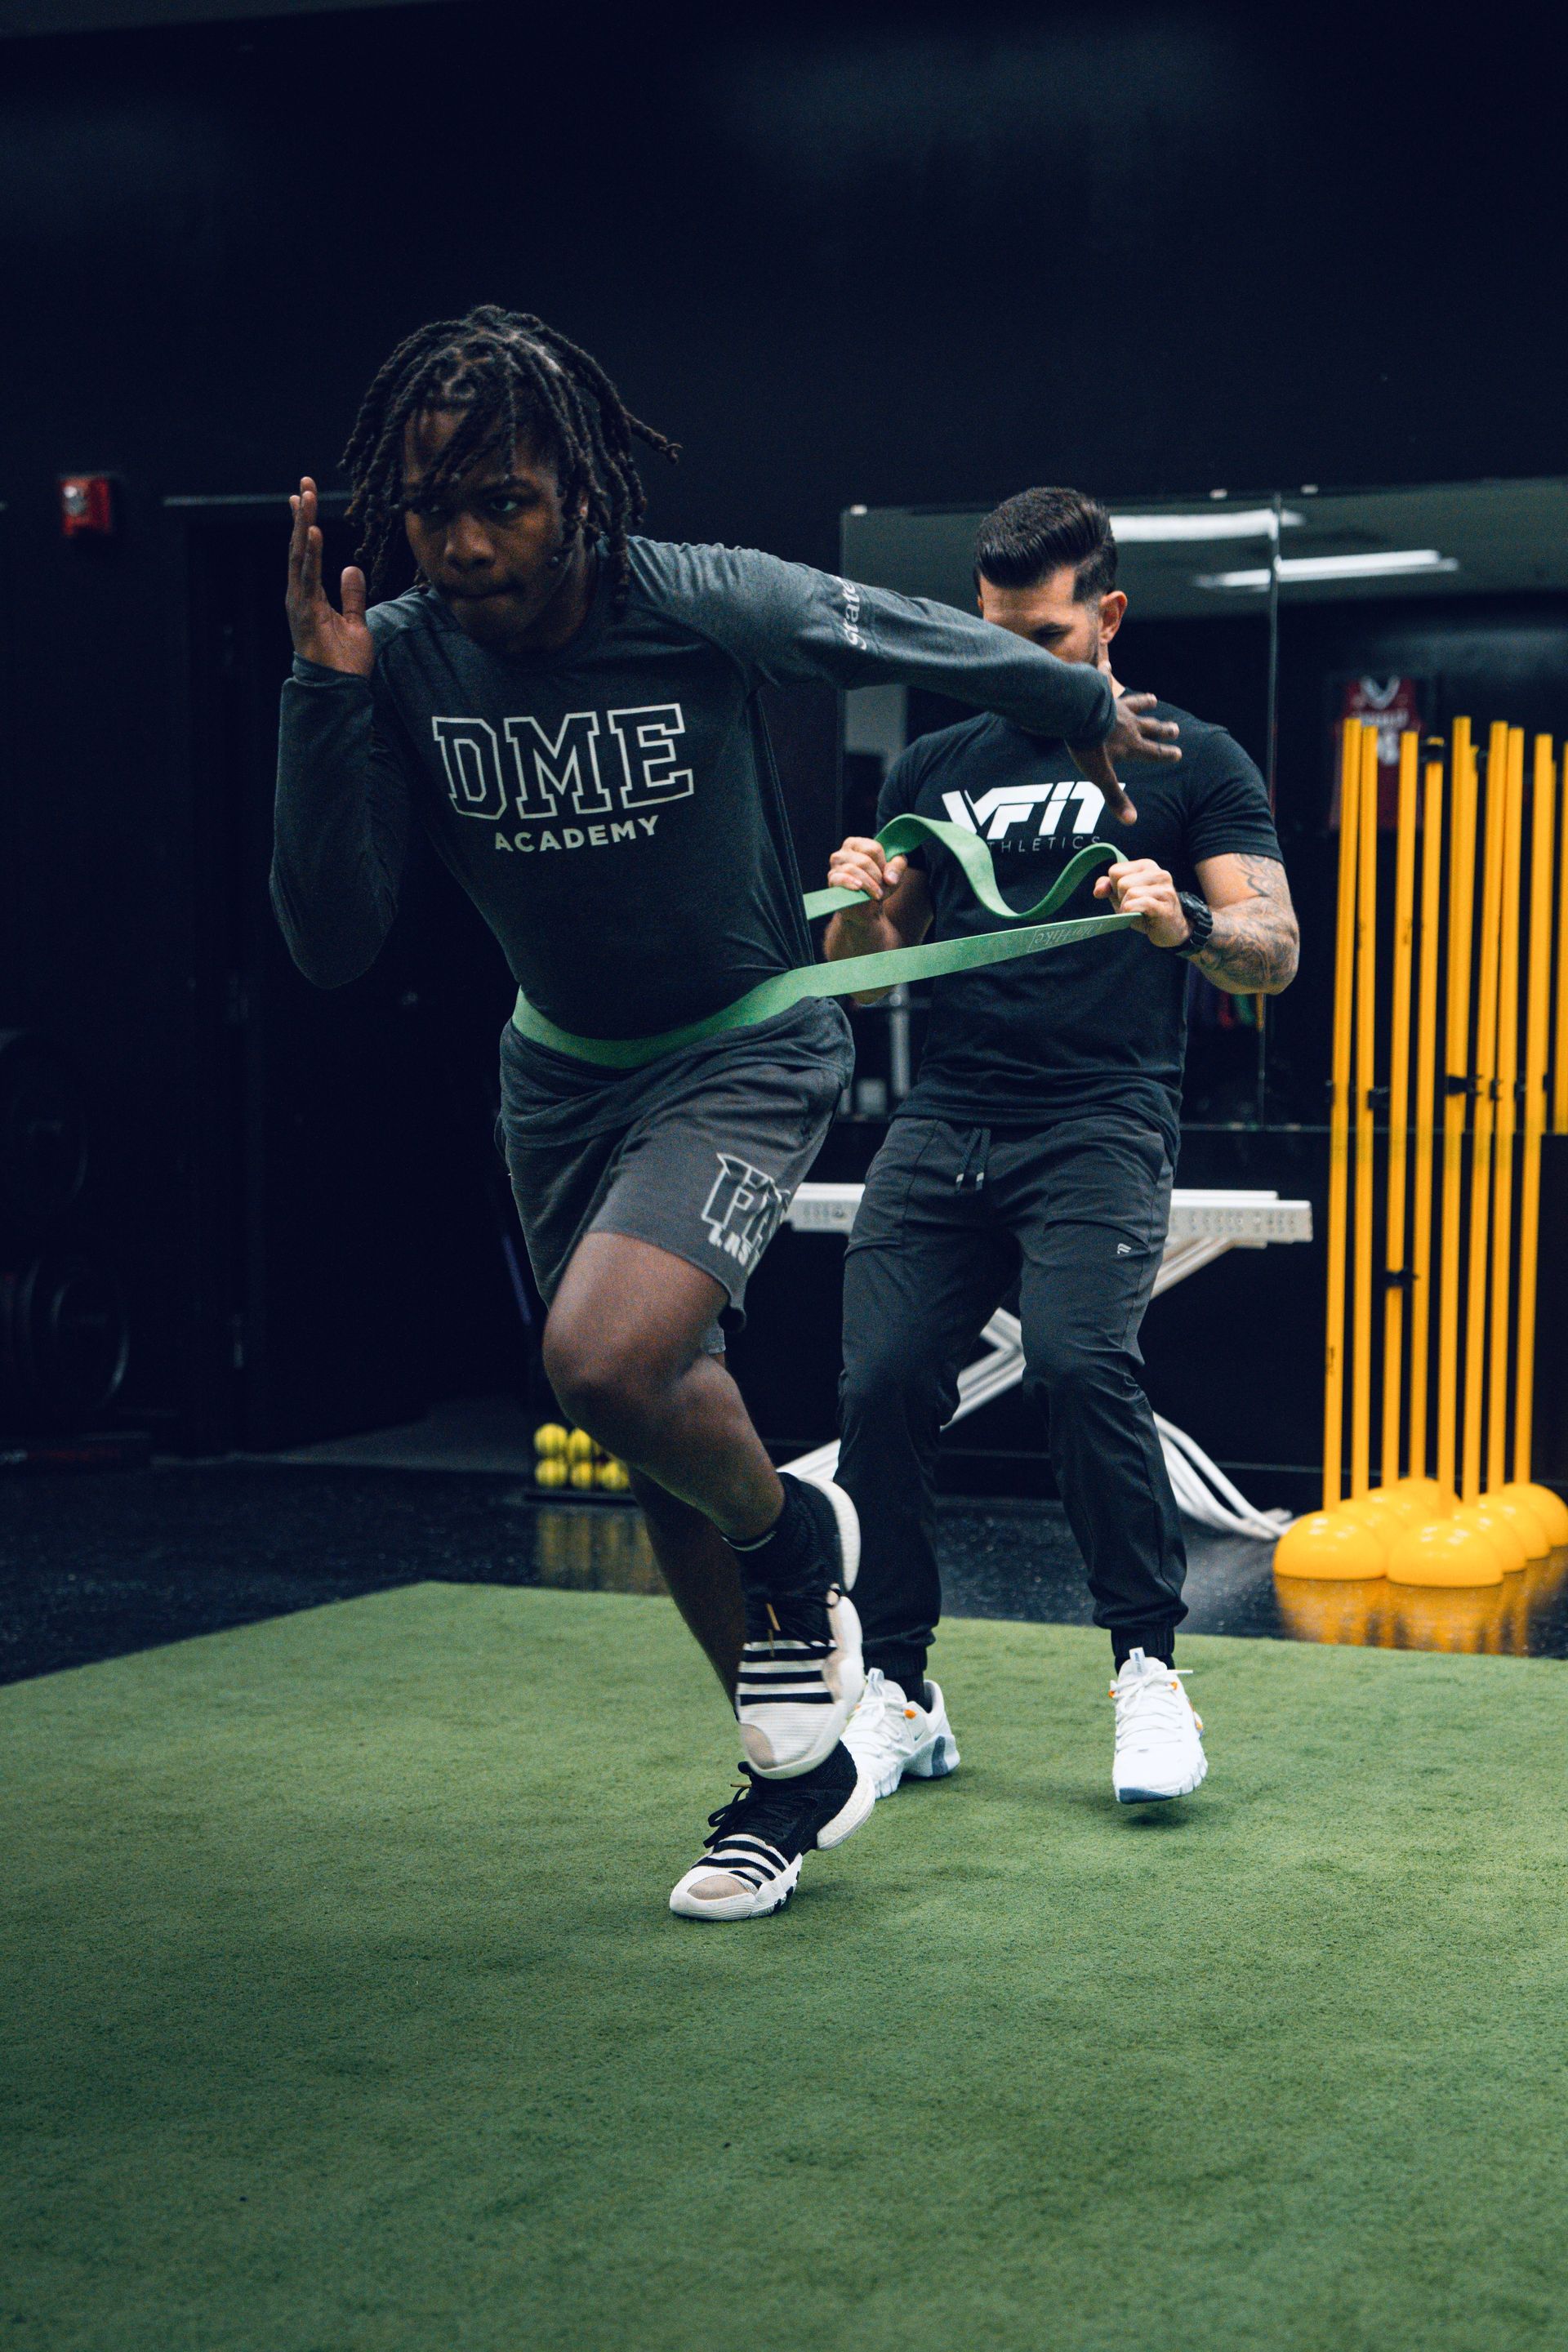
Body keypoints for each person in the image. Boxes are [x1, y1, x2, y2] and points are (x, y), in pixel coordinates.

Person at [272, 310, 1178, 1918]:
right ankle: (787, 1777)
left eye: (508, 502)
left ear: (582, 496)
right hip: (556, 1074)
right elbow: (331, 941)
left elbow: (877, 624)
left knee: (604, 1358)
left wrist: (1072, 706)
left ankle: (793, 1545)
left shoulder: (686, 597)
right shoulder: (401, 654)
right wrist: (321, 694)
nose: (469, 545)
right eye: (435, 510)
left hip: (744, 1048)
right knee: (649, 1422)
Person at [826, 487, 1298, 1807]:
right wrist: (861, 907)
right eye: (991, 635)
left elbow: (1276, 953)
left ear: (1108, 615)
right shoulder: (932, 767)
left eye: (1041, 635)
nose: (1014, 663)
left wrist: (1181, 930)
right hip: (948, 1120)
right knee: (881, 1386)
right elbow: (862, 982)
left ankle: (1148, 1672)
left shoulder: (1190, 761)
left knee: (1081, 1363)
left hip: (1099, 1116)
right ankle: (903, 1691)